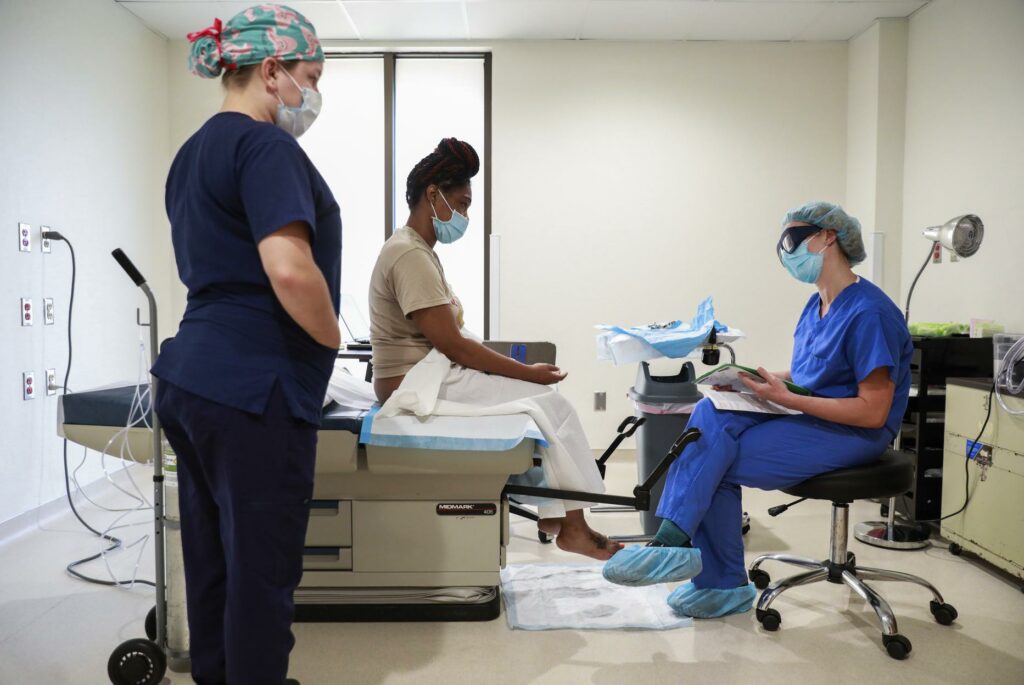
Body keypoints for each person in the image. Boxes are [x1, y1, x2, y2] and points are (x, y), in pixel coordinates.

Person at [603, 201, 912, 620]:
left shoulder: (870, 312)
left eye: (793, 240)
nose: (786, 253)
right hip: (810, 415)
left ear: (827, 237)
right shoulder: (816, 304)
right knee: (711, 413)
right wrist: (754, 381)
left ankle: (714, 577)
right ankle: (679, 547)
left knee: (717, 462)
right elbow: (813, 373)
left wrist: (786, 398)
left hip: (853, 432)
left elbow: (872, 412)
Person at [151, 6, 339, 684]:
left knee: (213, 554)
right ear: (271, 71)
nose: (312, 95)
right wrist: (331, 335)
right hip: (252, 386)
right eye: (309, 78)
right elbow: (288, 268)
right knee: (262, 566)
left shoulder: (193, 151)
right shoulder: (266, 147)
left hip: (190, 377)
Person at [368, 138, 622, 560]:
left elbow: (454, 340)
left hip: (429, 374)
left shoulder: (418, 251)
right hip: (413, 384)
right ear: (433, 195)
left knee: (545, 404)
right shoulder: (408, 255)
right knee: (550, 404)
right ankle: (573, 528)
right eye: (462, 204)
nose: (465, 216)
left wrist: (509, 370)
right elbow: (453, 344)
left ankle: (559, 518)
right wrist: (527, 373)